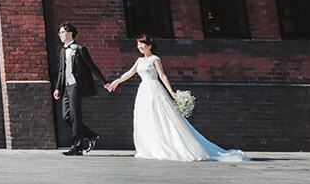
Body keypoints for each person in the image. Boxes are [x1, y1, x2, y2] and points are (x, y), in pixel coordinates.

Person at [105, 34, 248, 162]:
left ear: (149, 45)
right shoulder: (139, 61)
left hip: (154, 89)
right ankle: (151, 147)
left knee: (163, 117)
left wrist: (171, 91)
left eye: (142, 44)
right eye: (138, 44)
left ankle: (171, 145)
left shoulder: (155, 59)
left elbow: (162, 76)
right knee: (147, 117)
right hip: (143, 91)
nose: (140, 47)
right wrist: (116, 82)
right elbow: (129, 73)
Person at [52, 21, 109, 156]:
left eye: (63, 32)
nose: (60, 35)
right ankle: (91, 135)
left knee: (75, 116)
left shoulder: (79, 49)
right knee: (66, 116)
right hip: (66, 87)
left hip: (77, 86)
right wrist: (57, 88)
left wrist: (104, 82)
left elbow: (92, 66)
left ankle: (77, 147)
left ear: (70, 33)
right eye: (59, 33)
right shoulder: (62, 51)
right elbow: (61, 71)